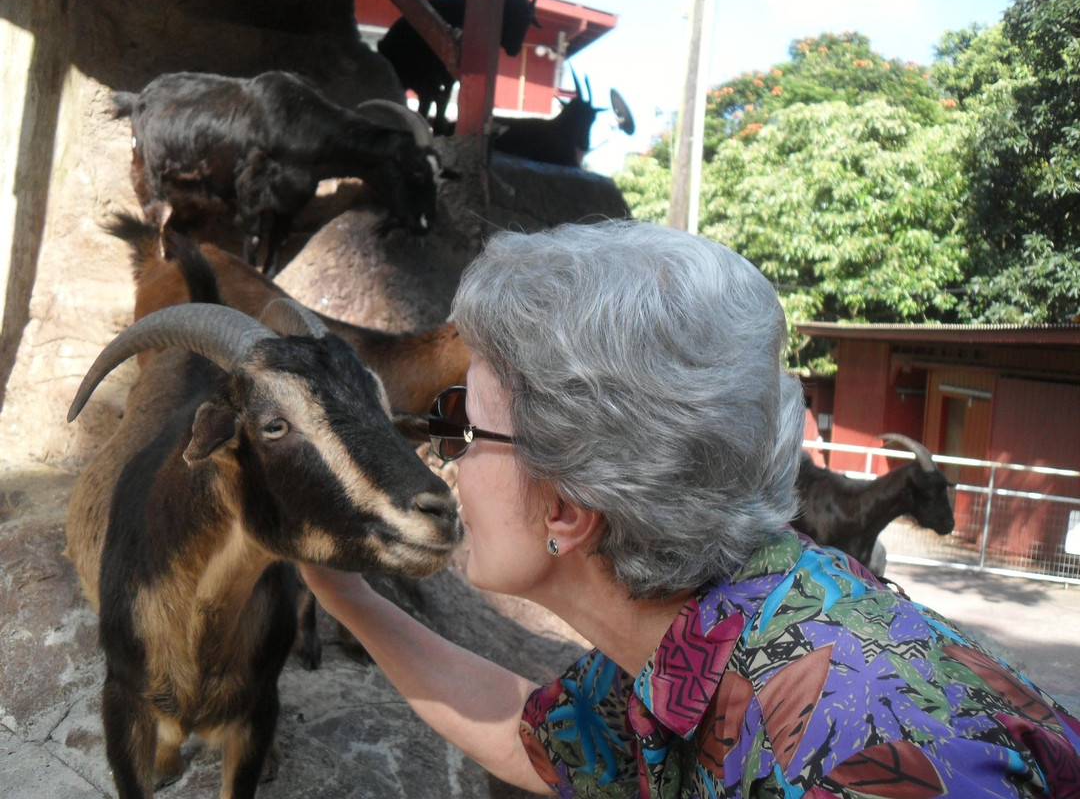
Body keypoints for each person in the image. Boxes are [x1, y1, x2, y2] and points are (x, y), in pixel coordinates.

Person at [301, 220, 1080, 798]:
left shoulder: (847, 760)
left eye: (458, 426)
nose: (444, 460)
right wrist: (347, 593)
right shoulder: (731, 614)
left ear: (568, 507)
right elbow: (532, 739)